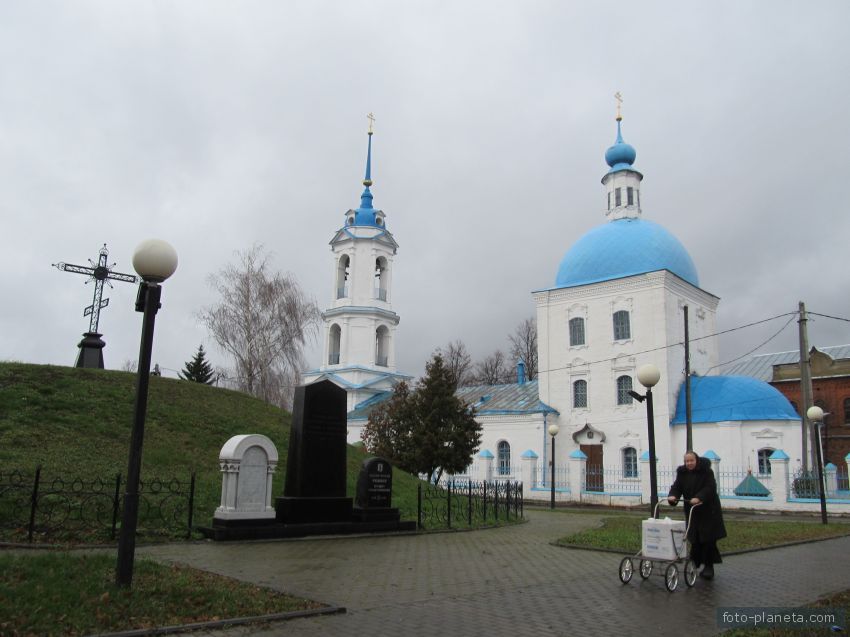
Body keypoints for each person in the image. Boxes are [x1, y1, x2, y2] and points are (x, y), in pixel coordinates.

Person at [667, 450, 726, 579]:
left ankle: (709, 567)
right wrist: (673, 496)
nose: (689, 463)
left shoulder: (706, 472)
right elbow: (677, 486)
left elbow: (710, 488)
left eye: (691, 460)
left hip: (708, 511)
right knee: (695, 539)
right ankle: (694, 564)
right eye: (687, 461)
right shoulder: (682, 473)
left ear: (696, 460)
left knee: (708, 540)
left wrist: (699, 497)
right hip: (692, 511)